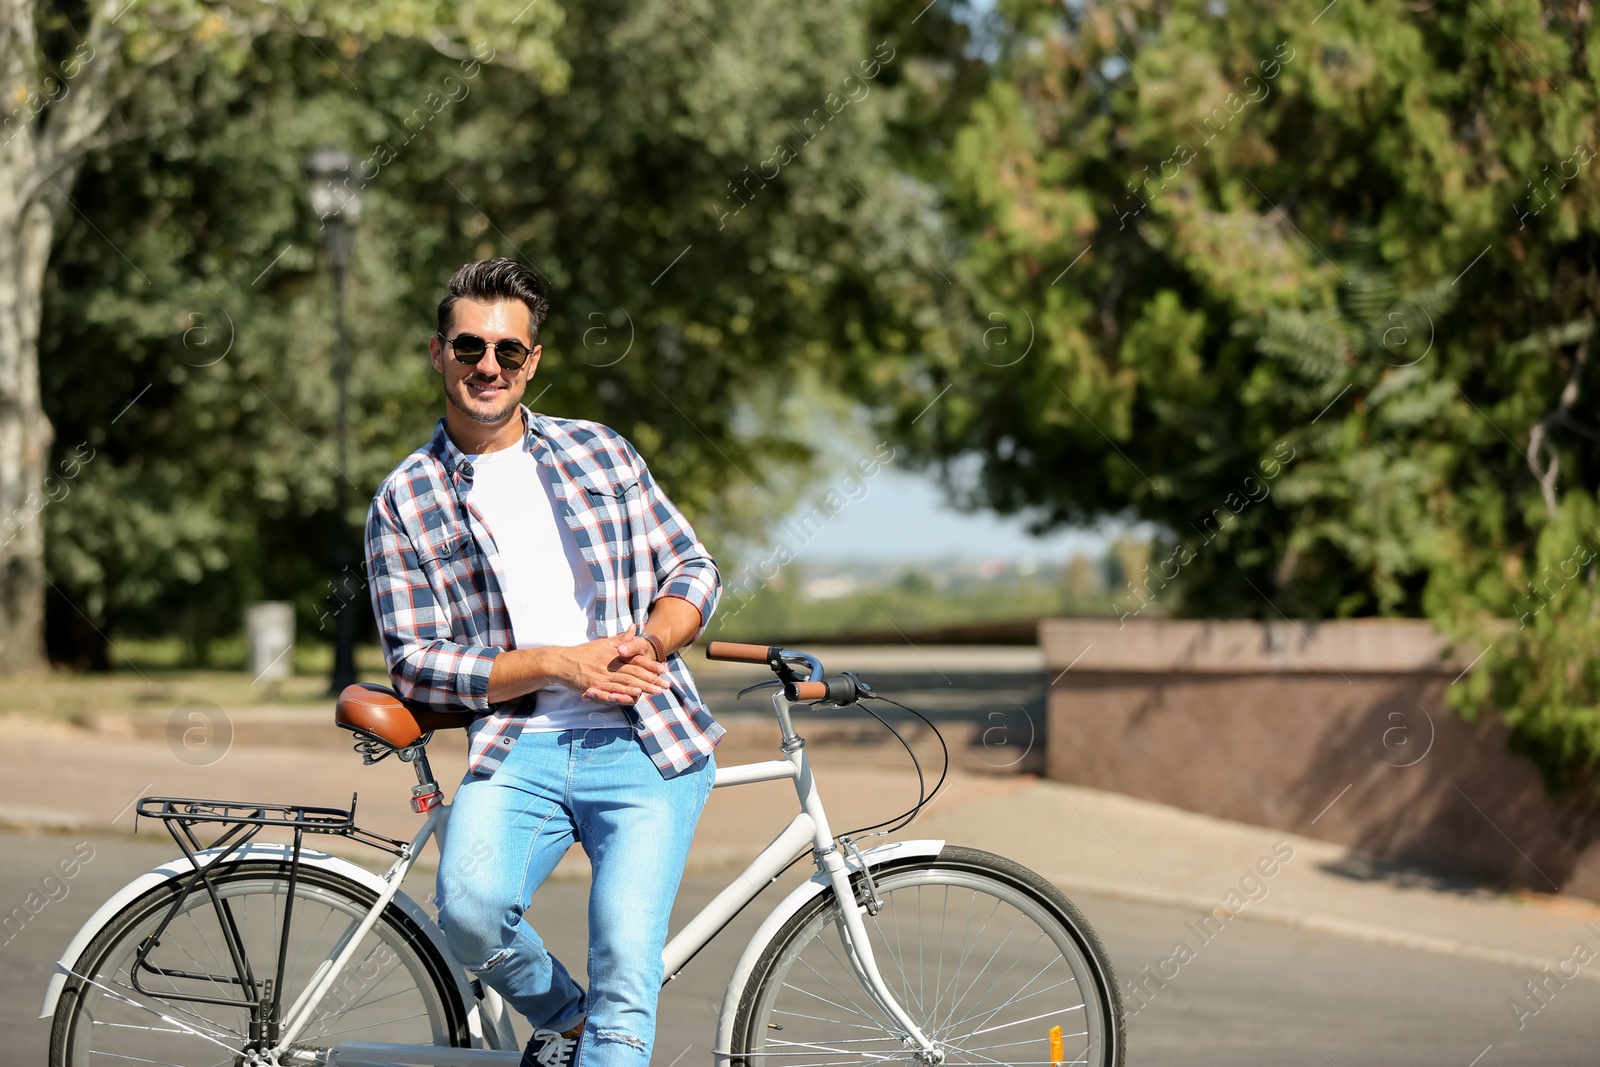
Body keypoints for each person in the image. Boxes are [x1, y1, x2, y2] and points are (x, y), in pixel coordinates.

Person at [363, 258, 723, 1067]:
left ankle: (599, 1032)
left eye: (508, 352)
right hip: (517, 747)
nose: (487, 366)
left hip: (647, 745)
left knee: (627, 970)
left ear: (534, 361)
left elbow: (692, 570)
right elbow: (418, 664)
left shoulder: (602, 452)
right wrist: (560, 664)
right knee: (468, 912)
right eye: (468, 347)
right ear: (437, 353)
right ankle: (564, 1017)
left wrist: (652, 640)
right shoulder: (406, 499)